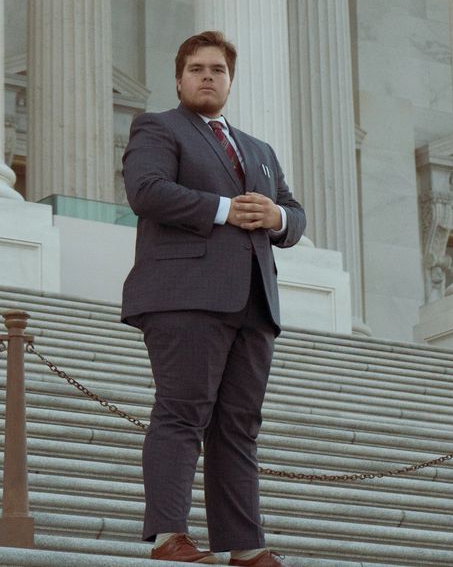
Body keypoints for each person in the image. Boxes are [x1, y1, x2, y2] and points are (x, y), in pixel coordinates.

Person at [120, 31, 304, 566]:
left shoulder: (259, 150)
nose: (207, 76)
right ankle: (168, 537)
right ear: (179, 79)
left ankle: (245, 545)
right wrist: (227, 209)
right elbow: (146, 190)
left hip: (253, 303)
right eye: (197, 68)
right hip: (185, 296)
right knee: (181, 413)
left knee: (239, 425)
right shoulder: (158, 127)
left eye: (218, 69)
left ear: (230, 80)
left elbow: (292, 212)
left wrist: (278, 218)